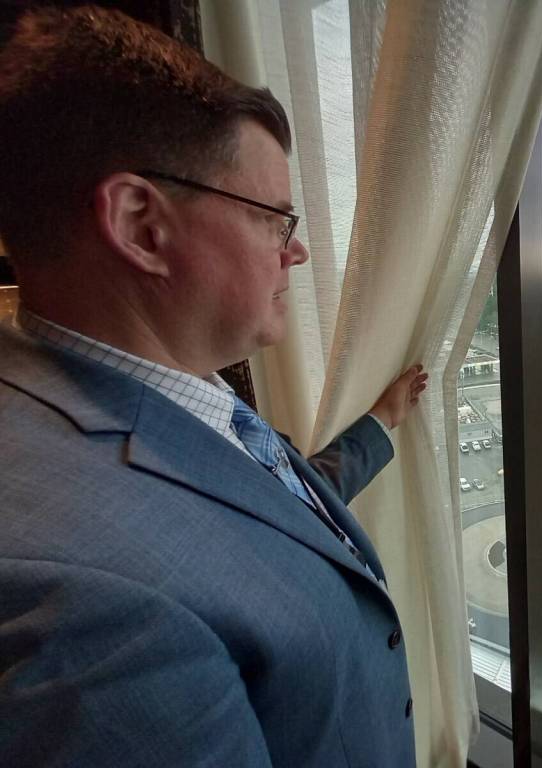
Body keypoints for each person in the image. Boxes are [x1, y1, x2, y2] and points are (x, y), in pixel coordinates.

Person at [0, 6, 425, 766]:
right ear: (141, 225)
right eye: (274, 217)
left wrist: (381, 422)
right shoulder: (92, 601)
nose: (295, 251)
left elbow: (250, 514)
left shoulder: (152, 388)